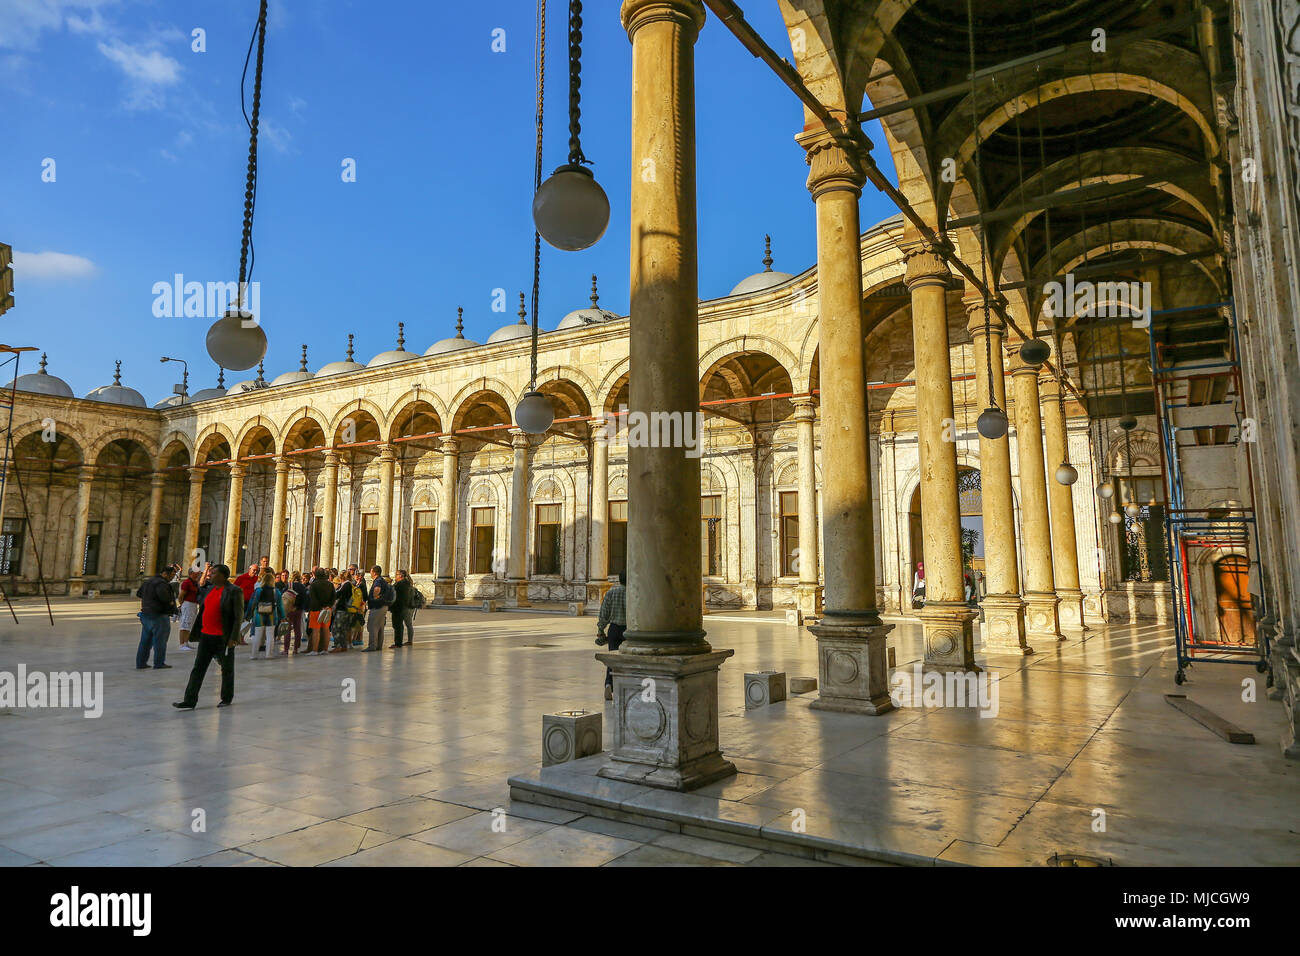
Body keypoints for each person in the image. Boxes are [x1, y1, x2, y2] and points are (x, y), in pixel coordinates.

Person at [173, 564, 243, 710]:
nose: (210, 575)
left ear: (223, 576)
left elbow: (238, 616)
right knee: (198, 668)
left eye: (213, 573)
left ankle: (226, 698)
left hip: (223, 637)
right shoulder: (210, 589)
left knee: (227, 669)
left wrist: (233, 638)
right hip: (206, 635)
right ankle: (189, 700)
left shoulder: (234, 591)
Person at [136, 563, 178, 670]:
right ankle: (159, 663)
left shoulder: (148, 581)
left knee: (145, 640)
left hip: (146, 614)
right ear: (165, 573)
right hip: (158, 615)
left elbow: (139, 594)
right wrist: (171, 604)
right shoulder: (161, 584)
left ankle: (141, 663)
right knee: (160, 641)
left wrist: (149, 599)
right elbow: (165, 598)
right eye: (171, 575)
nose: (172, 578)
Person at [595, 571, 627, 701]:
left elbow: (604, 613)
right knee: (628, 660)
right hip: (630, 630)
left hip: (614, 630)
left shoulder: (611, 593)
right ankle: (625, 687)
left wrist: (600, 630)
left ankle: (609, 684)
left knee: (612, 660)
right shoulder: (635, 593)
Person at [245, 570, 284, 660]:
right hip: (272, 615)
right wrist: (283, 616)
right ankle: (269, 654)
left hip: (259, 615)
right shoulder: (276, 591)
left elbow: (252, 603)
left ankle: (254, 655)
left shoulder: (258, 591)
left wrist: (248, 615)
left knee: (257, 635)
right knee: (270, 635)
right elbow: (280, 606)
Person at [306, 568, 335, 655]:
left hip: (316, 610)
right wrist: (328, 606)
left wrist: (320, 607)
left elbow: (313, 598)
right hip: (327, 609)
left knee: (316, 630)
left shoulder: (314, 585)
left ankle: (314, 650)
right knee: (326, 630)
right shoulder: (330, 584)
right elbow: (334, 597)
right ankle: (325, 649)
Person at [364, 565, 393, 651]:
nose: (370, 573)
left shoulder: (378, 581)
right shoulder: (382, 580)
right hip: (383, 606)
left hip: (377, 607)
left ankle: (372, 646)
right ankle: (378, 646)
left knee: (373, 626)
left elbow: (377, 589)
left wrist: (374, 597)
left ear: (374, 572)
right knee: (380, 627)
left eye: (371, 571)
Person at [176, 567, 201, 651]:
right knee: (184, 624)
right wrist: (182, 604)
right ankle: (182, 644)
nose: (198, 574)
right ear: (191, 573)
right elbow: (181, 595)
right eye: (196, 573)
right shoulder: (186, 583)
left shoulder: (194, 583)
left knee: (189, 624)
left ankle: (186, 643)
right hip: (187, 604)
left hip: (193, 604)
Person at [390, 570, 415, 648]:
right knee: (405, 625)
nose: (395, 576)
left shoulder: (401, 585)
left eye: (397, 574)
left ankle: (398, 643)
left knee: (398, 625)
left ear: (401, 575)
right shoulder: (407, 584)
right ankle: (407, 641)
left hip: (400, 608)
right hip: (405, 607)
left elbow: (396, 596)